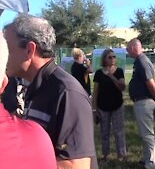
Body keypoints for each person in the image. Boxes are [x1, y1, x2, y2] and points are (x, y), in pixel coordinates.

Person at [3, 14, 97, 168]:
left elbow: (75, 165)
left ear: (29, 50)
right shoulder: (37, 86)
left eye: (7, 49)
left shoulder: (67, 93)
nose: (3, 56)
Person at [0, 31, 56, 168]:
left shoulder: (66, 90)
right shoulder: (36, 141)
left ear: (30, 50)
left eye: (11, 50)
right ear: (3, 84)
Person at [127, 38, 155, 169]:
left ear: (134, 48)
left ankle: (151, 162)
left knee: (147, 133)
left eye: (128, 48)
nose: (127, 51)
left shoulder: (142, 61)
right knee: (144, 132)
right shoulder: (139, 61)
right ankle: (146, 158)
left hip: (144, 101)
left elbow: (150, 82)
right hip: (140, 101)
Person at [92, 49, 127, 162]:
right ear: (104, 59)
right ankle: (105, 154)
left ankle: (121, 154)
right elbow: (95, 92)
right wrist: (94, 109)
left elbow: (122, 87)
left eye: (114, 57)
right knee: (104, 132)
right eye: (110, 57)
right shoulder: (98, 73)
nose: (112, 59)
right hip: (103, 107)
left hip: (117, 105)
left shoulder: (119, 71)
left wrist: (111, 76)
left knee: (118, 131)